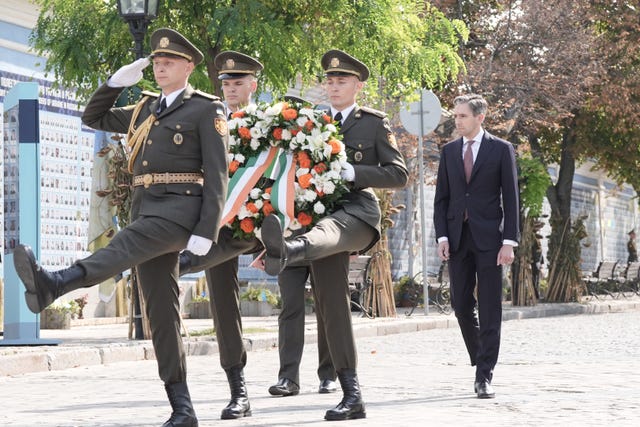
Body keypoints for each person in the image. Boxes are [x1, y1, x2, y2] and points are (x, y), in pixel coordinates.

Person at [13, 28, 229, 427]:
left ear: (188, 66)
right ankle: (183, 408)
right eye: (157, 62)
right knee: (161, 312)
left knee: (124, 245)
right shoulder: (146, 109)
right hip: (147, 208)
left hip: (181, 211)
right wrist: (114, 83)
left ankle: (57, 282)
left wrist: (207, 230)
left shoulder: (206, 109)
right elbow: (91, 117)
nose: (161, 67)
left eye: (169, 62)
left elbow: (218, 174)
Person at [260, 49, 408, 420]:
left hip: (356, 212)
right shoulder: (313, 122)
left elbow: (399, 174)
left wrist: (355, 174)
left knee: (329, 233)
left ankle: (291, 250)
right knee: (333, 304)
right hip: (311, 218)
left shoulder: (373, 123)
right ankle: (351, 395)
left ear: (357, 86)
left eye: (342, 81)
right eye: (330, 81)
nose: (334, 86)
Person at [180, 50, 263, 420]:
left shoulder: (269, 122)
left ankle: (325, 373)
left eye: (238, 83)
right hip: (216, 225)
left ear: (253, 85)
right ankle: (238, 390)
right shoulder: (210, 118)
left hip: (256, 222)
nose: (231, 88)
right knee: (223, 306)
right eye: (226, 83)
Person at [433, 94, 519, 399]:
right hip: (458, 238)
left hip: (491, 240)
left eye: (463, 116)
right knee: (460, 305)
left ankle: (484, 375)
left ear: (480, 117)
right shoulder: (449, 151)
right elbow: (441, 198)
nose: (457, 121)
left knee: (490, 307)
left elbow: (511, 199)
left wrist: (509, 241)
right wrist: (442, 236)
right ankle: (480, 352)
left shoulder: (501, 150)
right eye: (455, 116)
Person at [267, 95, 337, 398]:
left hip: (322, 241)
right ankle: (288, 378)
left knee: (327, 309)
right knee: (290, 309)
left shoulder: (323, 150)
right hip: (288, 241)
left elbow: (338, 196)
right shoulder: (273, 157)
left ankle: (328, 374)